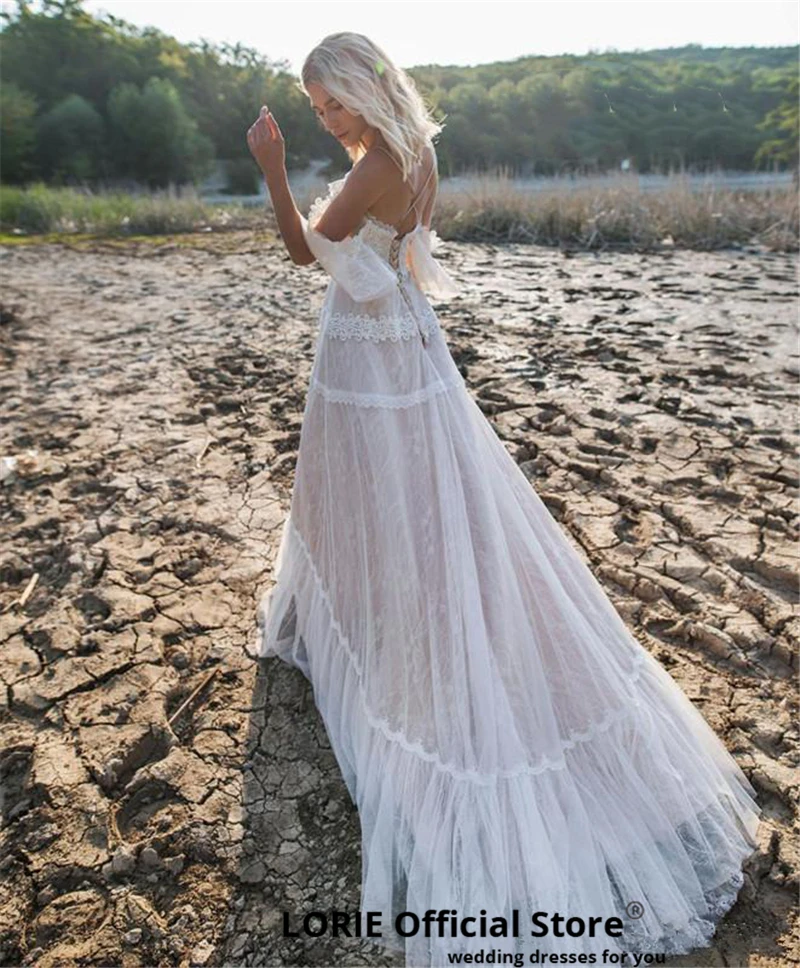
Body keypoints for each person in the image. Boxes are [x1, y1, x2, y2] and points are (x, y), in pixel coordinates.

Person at [246, 31, 762, 968]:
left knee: (375, 492)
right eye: (314, 109)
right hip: (406, 343)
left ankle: (374, 629)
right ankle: (364, 614)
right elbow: (396, 254)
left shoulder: (378, 164)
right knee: (415, 494)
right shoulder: (416, 151)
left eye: (332, 103)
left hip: (370, 359)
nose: (324, 119)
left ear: (365, 86)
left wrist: (273, 171)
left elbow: (298, 251)